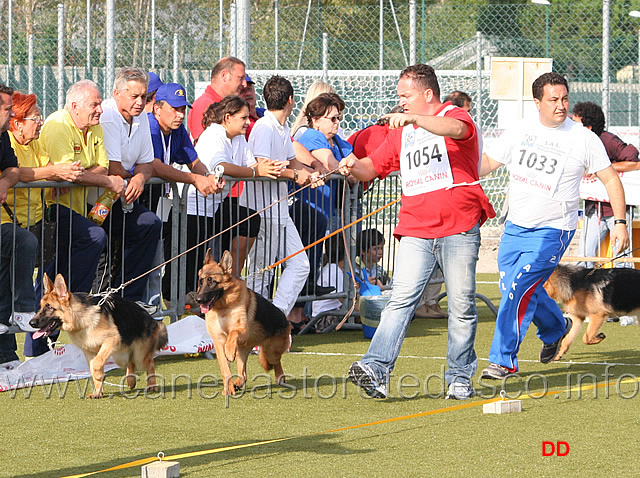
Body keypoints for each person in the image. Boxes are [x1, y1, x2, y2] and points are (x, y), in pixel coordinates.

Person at [339, 64, 495, 400]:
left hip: (459, 226)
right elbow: (372, 167)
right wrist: (353, 165)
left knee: (462, 305)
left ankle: (459, 377)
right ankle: (376, 369)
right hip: (415, 228)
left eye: (406, 96)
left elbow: (454, 128)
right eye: (400, 97)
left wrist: (415, 120)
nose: (401, 102)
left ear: (427, 94)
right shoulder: (401, 130)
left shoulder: (454, 115)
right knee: (400, 300)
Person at [480, 72, 629, 379]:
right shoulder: (519, 129)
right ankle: (555, 327)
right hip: (515, 227)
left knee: (518, 290)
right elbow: (484, 165)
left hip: (553, 230)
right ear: (537, 102)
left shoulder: (583, 138)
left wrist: (620, 222)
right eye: (553, 100)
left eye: (564, 99)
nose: (561, 106)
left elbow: (611, 178)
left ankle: (503, 360)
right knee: (513, 288)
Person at [164, 95, 267, 301]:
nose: (248, 122)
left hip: (215, 205)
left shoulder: (238, 137)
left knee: (249, 220)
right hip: (192, 205)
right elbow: (221, 166)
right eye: (243, 118)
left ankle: (230, 279)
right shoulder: (214, 134)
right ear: (227, 118)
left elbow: (252, 164)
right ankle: (175, 300)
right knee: (188, 260)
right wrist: (255, 172)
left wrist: (269, 168)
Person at [7, 91, 84, 357]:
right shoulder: (7, 141)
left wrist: (62, 174)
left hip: (38, 221)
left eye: (40, 116)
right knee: (10, 286)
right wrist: (53, 173)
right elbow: (18, 173)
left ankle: (41, 337)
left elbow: (48, 170)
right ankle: (14, 340)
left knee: (85, 240)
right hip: (12, 225)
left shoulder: (36, 143)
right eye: (35, 117)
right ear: (17, 122)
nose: (40, 122)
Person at [39, 79, 124, 300]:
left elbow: (102, 167)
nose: (100, 109)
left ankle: (63, 305)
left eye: (99, 104)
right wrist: (103, 181)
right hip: (53, 208)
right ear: (75, 107)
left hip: (77, 207)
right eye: (94, 105)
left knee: (61, 267)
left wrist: (81, 175)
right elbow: (69, 173)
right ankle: (74, 298)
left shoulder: (94, 127)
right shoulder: (59, 124)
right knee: (94, 237)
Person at [242, 75, 318, 317]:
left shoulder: (282, 127)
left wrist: (311, 174)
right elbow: (264, 165)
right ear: (291, 100)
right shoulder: (264, 128)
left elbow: (292, 160)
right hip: (261, 210)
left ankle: (274, 319)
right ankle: (255, 327)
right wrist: (295, 176)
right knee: (260, 273)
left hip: (279, 211)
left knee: (299, 265)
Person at [99, 67, 162, 302]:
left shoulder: (142, 117)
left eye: (144, 97)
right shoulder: (107, 114)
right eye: (134, 96)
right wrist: (134, 174)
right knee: (98, 242)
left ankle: (128, 298)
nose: (140, 102)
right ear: (117, 93)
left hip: (120, 197)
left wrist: (138, 177)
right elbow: (112, 167)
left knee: (149, 224)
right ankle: (100, 300)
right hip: (97, 199)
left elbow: (147, 163)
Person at [572, 101, 640, 268]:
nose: (571, 127)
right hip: (593, 209)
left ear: (588, 127)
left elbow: (635, 161)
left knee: (623, 259)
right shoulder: (576, 143)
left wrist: (605, 169)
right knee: (584, 258)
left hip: (617, 211)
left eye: (575, 122)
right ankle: (583, 292)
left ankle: (626, 293)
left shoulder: (608, 140)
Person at [0, 84, 39, 370]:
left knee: (18, 244)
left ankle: (6, 353)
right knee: (21, 241)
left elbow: (12, 169)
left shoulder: (2, 137)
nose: (10, 113)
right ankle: (22, 307)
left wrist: (5, 181)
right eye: (5, 108)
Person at [188, 57, 247, 141]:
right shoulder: (205, 105)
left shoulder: (225, 104)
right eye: (240, 78)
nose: (244, 84)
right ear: (224, 76)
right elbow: (205, 147)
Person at [239, 74, 265, 139]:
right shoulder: (240, 122)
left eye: (249, 89)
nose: (248, 93)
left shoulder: (264, 113)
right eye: (242, 91)